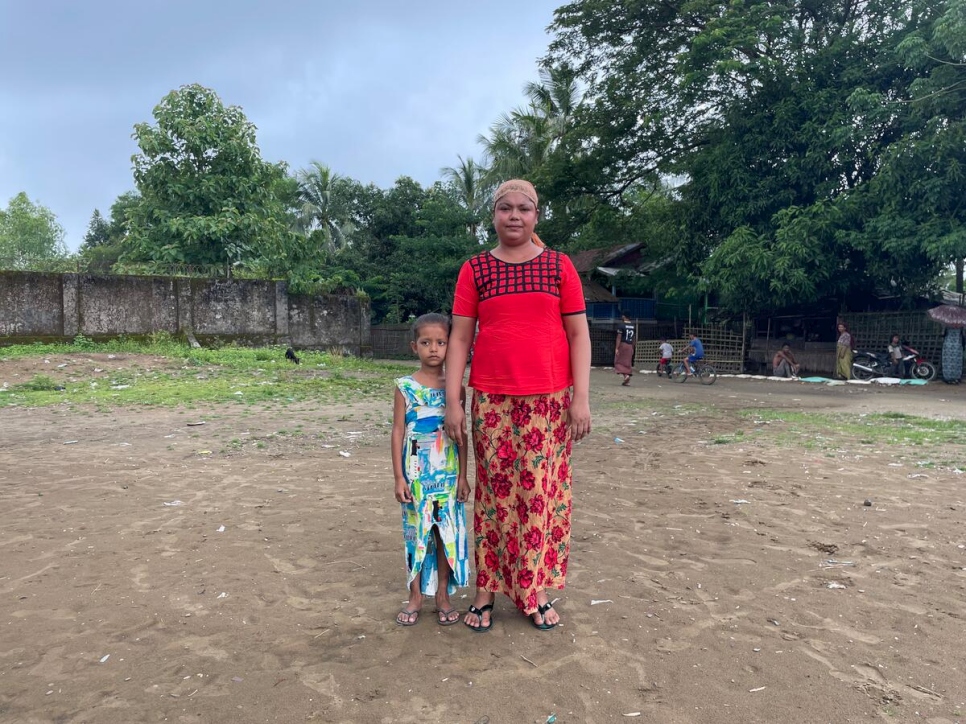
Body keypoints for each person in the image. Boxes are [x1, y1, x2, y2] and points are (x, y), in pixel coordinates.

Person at [443, 179, 592, 633]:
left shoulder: (559, 267)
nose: (513, 216)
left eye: (523, 209)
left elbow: (579, 335)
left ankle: (535, 590)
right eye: (504, 208)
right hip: (491, 400)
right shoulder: (476, 270)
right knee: (493, 497)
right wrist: (454, 400)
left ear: (536, 216)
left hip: (549, 402)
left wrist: (581, 398)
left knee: (540, 495)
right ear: (493, 216)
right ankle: (485, 591)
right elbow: (461, 337)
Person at [391, 313, 470, 627]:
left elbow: (462, 435)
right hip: (415, 478)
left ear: (450, 346)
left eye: (440, 342)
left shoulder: (457, 392)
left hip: (448, 477)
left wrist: (464, 475)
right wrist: (399, 476)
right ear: (415, 346)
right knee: (416, 536)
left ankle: (443, 597)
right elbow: (398, 431)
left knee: (445, 535)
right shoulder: (405, 388)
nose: (434, 349)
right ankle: (415, 597)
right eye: (426, 342)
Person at [614, 313, 635, 386]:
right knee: (627, 362)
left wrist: (617, 348)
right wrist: (632, 347)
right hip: (630, 345)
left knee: (618, 361)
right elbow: (633, 338)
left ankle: (626, 376)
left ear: (624, 316)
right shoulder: (633, 326)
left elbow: (619, 337)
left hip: (623, 344)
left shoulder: (621, 325)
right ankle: (627, 379)